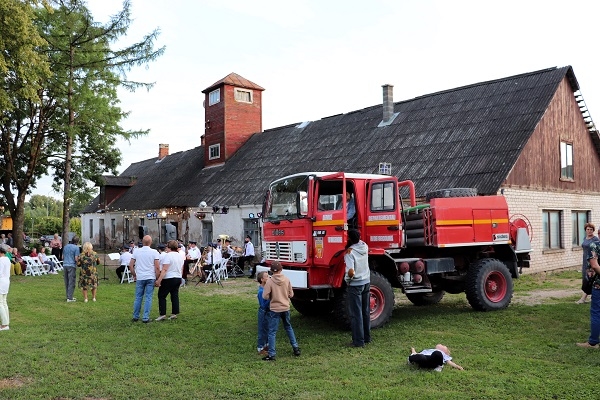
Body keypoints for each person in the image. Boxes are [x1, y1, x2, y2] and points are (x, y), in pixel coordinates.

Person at [262, 261, 300, 361]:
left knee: (272, 332)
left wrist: (272, 296)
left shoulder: (269, 281)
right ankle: (295, 347)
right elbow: (291, 294)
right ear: (281, 269)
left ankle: (272, 354)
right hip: (285, 307)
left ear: (271, 271)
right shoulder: (286, 280)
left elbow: (265, 296)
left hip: (274, 309)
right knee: (288, 327)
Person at [344, 229, 371, 347]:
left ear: (349, 238)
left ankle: (358, 341)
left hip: (355, 284)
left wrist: (348, 281)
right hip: (366, 281)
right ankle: (367, 337)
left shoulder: (350, 253)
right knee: (365, 311)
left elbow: (351, 271)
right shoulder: (365, 246)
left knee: (356, 314)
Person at [129, 235, 160, 323]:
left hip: (140, 276)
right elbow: (157, 267)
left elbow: (131, 265)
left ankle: (135, 316)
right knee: (148, 297)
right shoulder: (154, 252)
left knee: (138, 297)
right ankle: (145, 317)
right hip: (150, 276)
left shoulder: (137, 251)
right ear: (151, 242)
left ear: (142, 242)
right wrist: (158, 278)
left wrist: (134, 274)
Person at [578, 239, 600, 348]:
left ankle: (593, 342)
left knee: (596, 313)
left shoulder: (595, 246)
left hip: (598, 286)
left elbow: (594, 266)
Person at [155, 240, 184, 321]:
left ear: (169, 247)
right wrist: (181, 277)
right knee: (174, 295)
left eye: (167, 247)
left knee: (162, 295)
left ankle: (162, 314)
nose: (166, 249)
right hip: (177, 277)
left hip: (169, 278)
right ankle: (174, 313)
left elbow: (164, 269)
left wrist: (159, 280)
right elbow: (181, 268)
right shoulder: (180, 256)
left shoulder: (168, 256)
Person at [578, 223, 600, 304]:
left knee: (589, 279)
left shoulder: (595, 239)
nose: (589, 231)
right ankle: (591, 296)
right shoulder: (585, 238)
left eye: (591, 229)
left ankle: (583, 298)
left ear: (593, 230)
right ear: (585, 230)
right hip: (585, 261)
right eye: (588, 229)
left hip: (592, 261)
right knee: (585, 279)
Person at [256, 271, 270, 355]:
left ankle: (266, 345)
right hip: (263, 312)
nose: (269, 278)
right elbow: (263, 305)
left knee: (267, 328)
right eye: (267, 277)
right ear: (262, 279)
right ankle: (260, 347)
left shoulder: (266, 288)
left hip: (268, 312)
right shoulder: (261, 291)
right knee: (262, 329)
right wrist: (270, 299)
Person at [62, 237, 81, 302]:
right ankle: (70, 298)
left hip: (65, 265)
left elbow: (62, 257)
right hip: (71, 265)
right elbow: (76, 258)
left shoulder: (65, 246)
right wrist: (78, 263)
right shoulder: (76, 248)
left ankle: (68, 296)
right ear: (77, 242)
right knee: (71, 281)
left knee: (66, 281)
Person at [0, 247, 11, 331]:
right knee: (4, 302)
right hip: (6, 281)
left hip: (1, 281)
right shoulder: (7, 259)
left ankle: (4, 324)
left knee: (1, 303)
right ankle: (6, 323)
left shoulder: (1, 260)